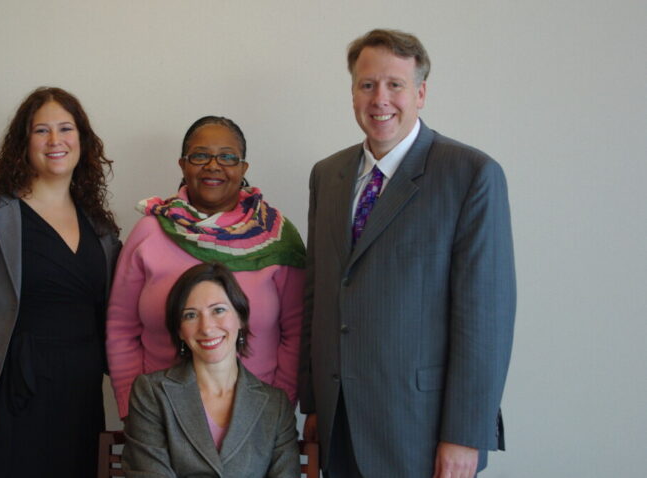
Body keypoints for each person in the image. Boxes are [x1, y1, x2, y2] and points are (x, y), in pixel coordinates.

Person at [298, 29, 516, 478]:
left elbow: (485, 321)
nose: (380, 98)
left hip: (423, 432)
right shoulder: (328, 175)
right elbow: (316, 296)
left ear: (420, 92)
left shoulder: (470, 175)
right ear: (353, 92)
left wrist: (465, 434)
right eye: (366, 84)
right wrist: (315, 402)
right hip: (340, 425)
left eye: (395, 84)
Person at [0, 87, 121, 476]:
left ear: (82, 140)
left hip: (77, 399)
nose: (55, 141)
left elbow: (122, 311)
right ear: (23, 142)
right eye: (41, 131)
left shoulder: (100, 227)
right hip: (3, 395)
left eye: (66, 129)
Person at [107, 116, 305, 419]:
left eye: (227, 157)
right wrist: (131, 405)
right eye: (200, 156)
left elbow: (297, 331)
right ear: (183, 165)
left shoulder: (275, 236)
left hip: (255, 414)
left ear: (243, 168)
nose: (213, 165)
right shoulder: (149, 232)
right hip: (161, 413)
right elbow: (121, 328)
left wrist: (279, 407)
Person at [122, 262, 299, 477]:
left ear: (240, 318)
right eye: (191, 315)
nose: (206, 327)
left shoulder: (276, 405)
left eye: (218, 310)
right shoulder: (151, 393)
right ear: (179, 330)